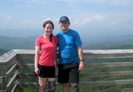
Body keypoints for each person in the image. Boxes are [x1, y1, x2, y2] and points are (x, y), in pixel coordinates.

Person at [56, 16, 84, 92]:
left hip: (73, 63)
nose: (63, 24)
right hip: (62, 64)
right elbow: (52, 47)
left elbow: (79, 47)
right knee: (65, 84)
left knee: (74, 85)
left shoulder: (74, 33)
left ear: (69, 24)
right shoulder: (58, 35)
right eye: (62, 22)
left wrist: (81, 61)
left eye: (65, 22)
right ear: (59, 24)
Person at [34, 20, 58, 92]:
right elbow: (37, 54)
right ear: (43, 28)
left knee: (52, 88)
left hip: (51, 66)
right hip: (42, 66)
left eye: (51, 28)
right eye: (47, 28)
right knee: (42, 87)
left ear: (53, 29)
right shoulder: (39, 39)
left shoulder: (54, 38)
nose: (49, 29)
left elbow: (55, 52)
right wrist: (36, 67)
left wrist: (55, 61)